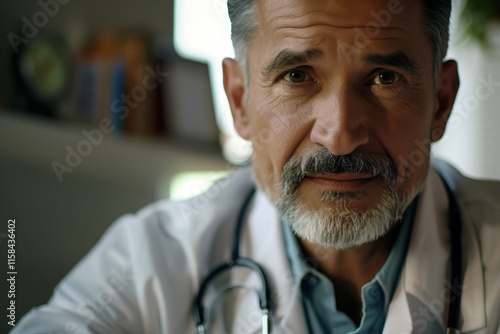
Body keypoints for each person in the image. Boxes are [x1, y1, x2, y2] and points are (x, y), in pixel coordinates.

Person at [13, 0, 500, 333]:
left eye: (384, 77)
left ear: (441, 101)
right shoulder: (152, 261)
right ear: (240, 101)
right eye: (297, 76)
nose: (340, 132)